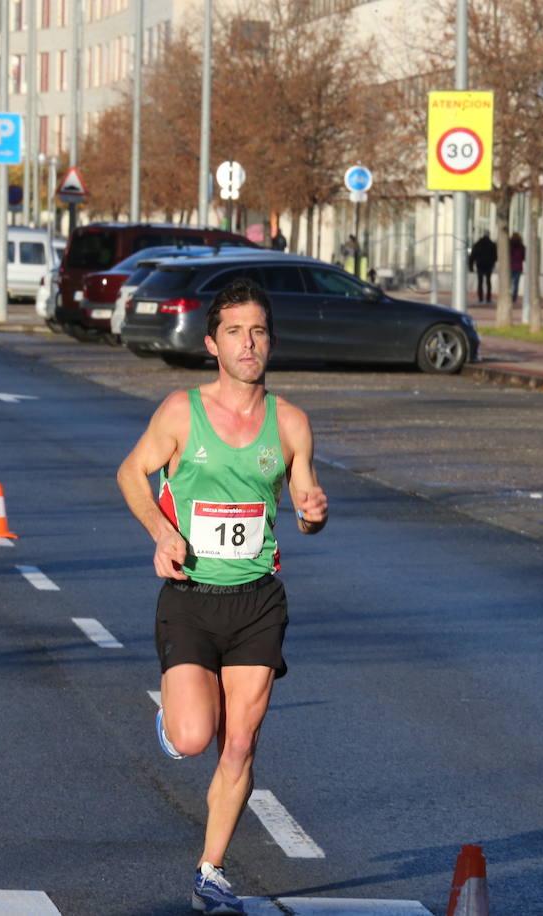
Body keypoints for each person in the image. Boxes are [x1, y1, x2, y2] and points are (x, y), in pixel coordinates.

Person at [116, 278, 328, 914]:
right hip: (190, 595)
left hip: (258, 602)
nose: (249, 343)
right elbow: (131, 471)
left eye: (258, 331)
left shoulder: (290, 423)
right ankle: (174, 722)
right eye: (235, 332)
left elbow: (305, 507)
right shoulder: (182, 412)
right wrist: (160, 531)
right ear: (213, 343)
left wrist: (314, 513)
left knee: (240, 743)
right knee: (192, 738)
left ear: (270, 341)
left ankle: (211, 872)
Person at [468, 230, 498, 304]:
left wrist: (471, 266)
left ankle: (481, 298)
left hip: (480, 265)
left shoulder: (478, 244)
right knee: (488, 282)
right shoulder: (492, 244)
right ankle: (488, 298)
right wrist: (492, 262)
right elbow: (495, 256)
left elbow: (472, 256)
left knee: (480, 282)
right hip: (488, 265)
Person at [509, 232, 526, 302]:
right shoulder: (521, 247)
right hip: (518, 267)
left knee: (509, 283)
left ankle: (509, 296)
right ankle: (514, 298)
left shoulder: (510, 246)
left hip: (510, 266)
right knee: (516, 284)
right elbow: (524, 257)